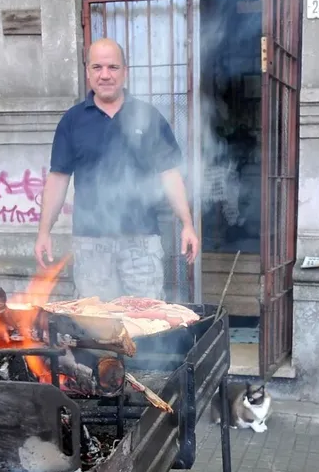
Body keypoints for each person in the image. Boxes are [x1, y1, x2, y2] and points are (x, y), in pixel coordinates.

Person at [34, 38, 200, 300]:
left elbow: (169, 174)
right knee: (95, 320)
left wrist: (187, 224)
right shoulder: (72, 121)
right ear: (88, 72)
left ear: (125, 71)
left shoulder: (148, 116)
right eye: (97, 67)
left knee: (146, 319)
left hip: (142, 242)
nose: (105, 75)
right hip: (91, 244)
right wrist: (44, 232)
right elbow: (58, 179)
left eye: (112, 67)